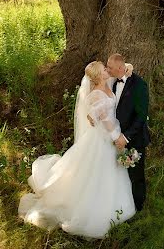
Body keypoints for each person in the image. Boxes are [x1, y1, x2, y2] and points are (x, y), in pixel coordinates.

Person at [18, 61, 136, 239]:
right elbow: (106, 121)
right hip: (103, 138)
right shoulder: (96, 94)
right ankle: (94, 208)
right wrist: (117, 138)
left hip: (107, 134)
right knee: (97, 171)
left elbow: (127, 68)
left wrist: (126, 66)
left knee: (110, 170)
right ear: (98, 76)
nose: (107, 70)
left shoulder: (108, 82)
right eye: (104, 69)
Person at [106, 53, 150, 211]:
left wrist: (126, 137)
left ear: (119, 68)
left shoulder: (139, 85)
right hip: (113, 138)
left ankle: (138, 209)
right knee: (118, 174)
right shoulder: (110, 80)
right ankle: (121, 206)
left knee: (135, 175)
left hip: (134, 139)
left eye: (109, 67)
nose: (107, 69)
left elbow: (141, 116)